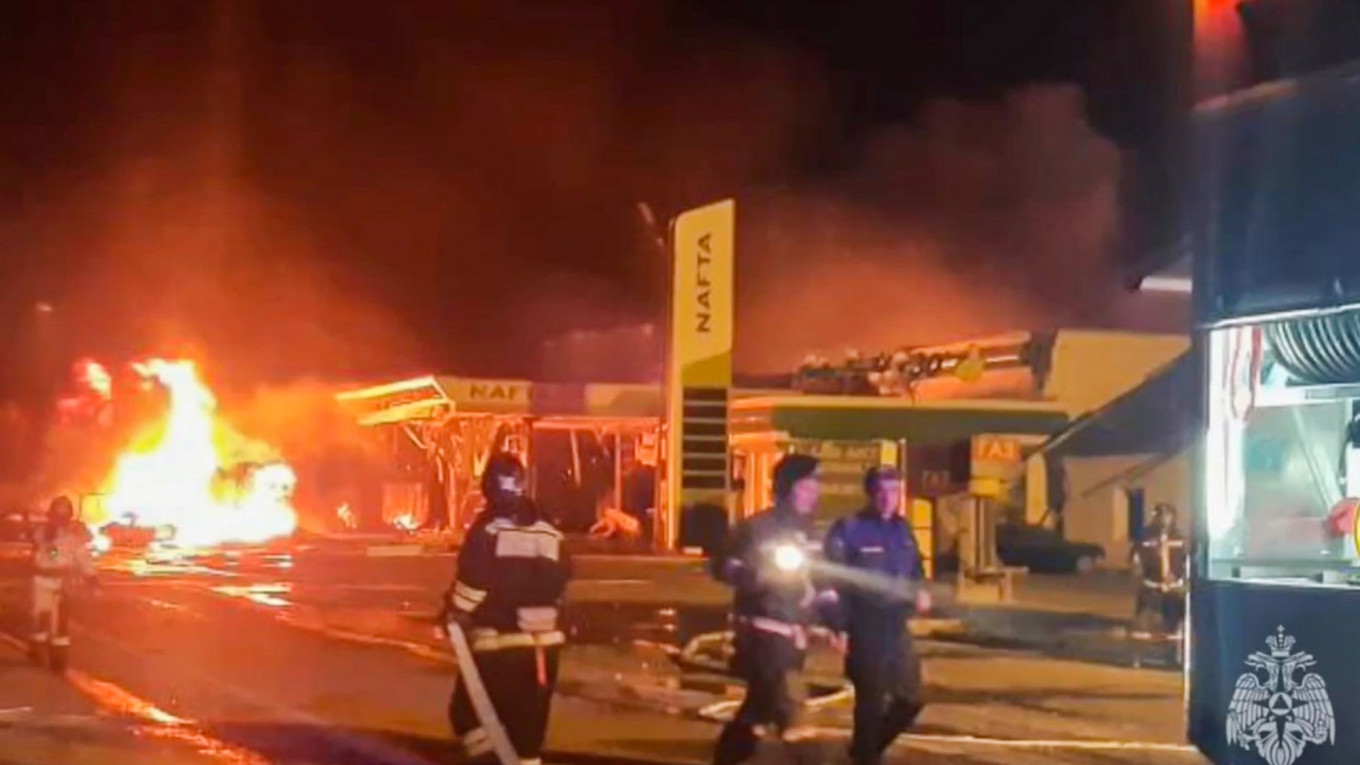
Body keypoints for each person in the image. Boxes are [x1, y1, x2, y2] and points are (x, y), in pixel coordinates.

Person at [439, 453, 572, 765]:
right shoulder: (550, 531)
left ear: (488, 486)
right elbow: (564, 578)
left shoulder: (488, 530)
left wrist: (452, 611)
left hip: (499, 646)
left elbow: (472, 584)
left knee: (466, 717)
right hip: (545, 651)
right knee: (527, 737)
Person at [709, 453, 832, 765]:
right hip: (764, 635)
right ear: (787, 487)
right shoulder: (756, 529)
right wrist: (755, 575)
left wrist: (834, 620)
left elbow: (822, 581)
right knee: (795, 715)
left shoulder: (812, 534)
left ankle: (727, 757)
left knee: (756, 713)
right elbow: (722, 565)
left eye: (816, 485)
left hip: (794, 638)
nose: (814, 492)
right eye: (807, 485)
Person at [824, 466, 930, 765]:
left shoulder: (902, 529)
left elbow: (915, 569)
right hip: (864, 623)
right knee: (870, 702)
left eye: (894, 491)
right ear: (870, 493)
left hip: (896, 624)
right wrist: (837, 626)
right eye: (882, 491)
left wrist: (919, 592)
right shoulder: (849, 529)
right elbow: (832, 581)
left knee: (911, 699)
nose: (888, 498)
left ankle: (863, 751)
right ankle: (867, 757)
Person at [30, 495, 97, 671]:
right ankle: (37, 650)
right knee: (41, 618)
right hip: (42, 581)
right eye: (57, 514)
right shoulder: (43, 533)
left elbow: (83, 557)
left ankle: (58, 659)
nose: (60, 519)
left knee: (60, 622)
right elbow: (45, 551)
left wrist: (91, 576)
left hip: (63, 583)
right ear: (51, 515)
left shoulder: (74, 537)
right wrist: (52, 540)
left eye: (63, 515)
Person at [1131, 503, 1187, 641]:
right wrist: (1141, 574)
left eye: (1168, 515)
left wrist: (1179, 576)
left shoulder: (1179, 537)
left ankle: (1170, 632)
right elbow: (1137, 558)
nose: (1165, 519)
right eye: (1162, 515)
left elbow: (1185, 558)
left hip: (1173, 588)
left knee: (1172, 622)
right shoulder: (1145, 536)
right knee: (1146, 624)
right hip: (1151, 586)